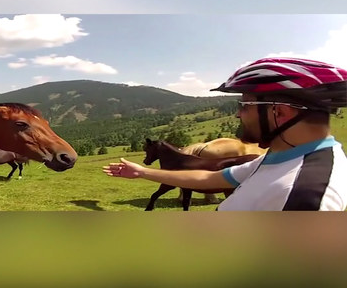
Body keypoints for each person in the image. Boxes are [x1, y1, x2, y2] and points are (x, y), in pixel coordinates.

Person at [103, 57, 347, 211]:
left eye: (244, 106)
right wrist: (143, 172)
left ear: (279, 112)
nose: (238, 115)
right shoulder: (285, 157)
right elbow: (212, 179)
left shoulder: (307, 197)